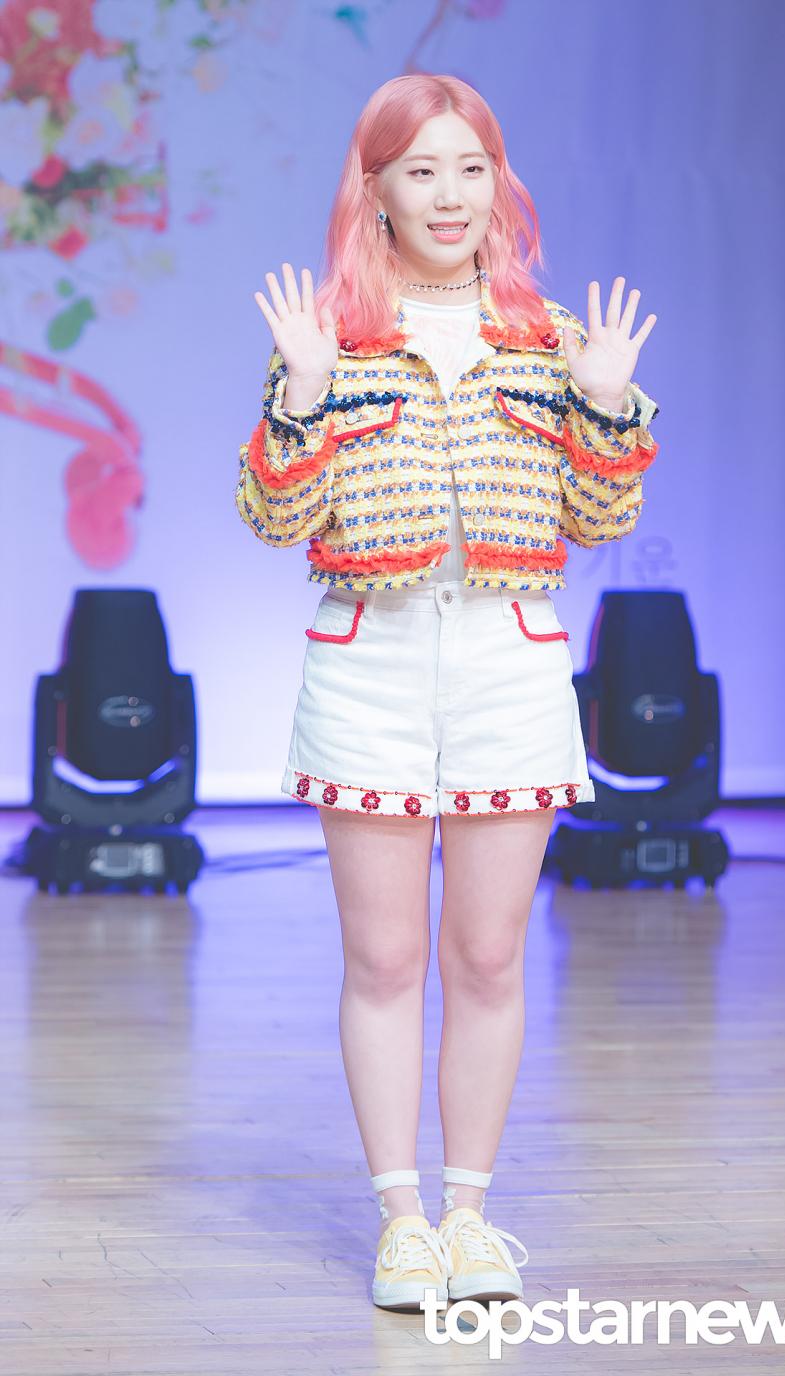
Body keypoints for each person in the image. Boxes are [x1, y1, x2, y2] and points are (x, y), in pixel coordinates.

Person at [236, 73, 660, 1313]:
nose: (448, 195)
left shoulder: (547, 336)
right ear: (372, 187)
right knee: (382, 957)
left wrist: (604, 400)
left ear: (498, 183)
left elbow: (601, 515)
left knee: (486, 954)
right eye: (419, 169)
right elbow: (273, 518)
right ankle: (401, 1222)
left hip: (506, 659)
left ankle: (470, 1216)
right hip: (365, 658)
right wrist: (300, 393)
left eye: (469, 168)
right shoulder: (331, 334)